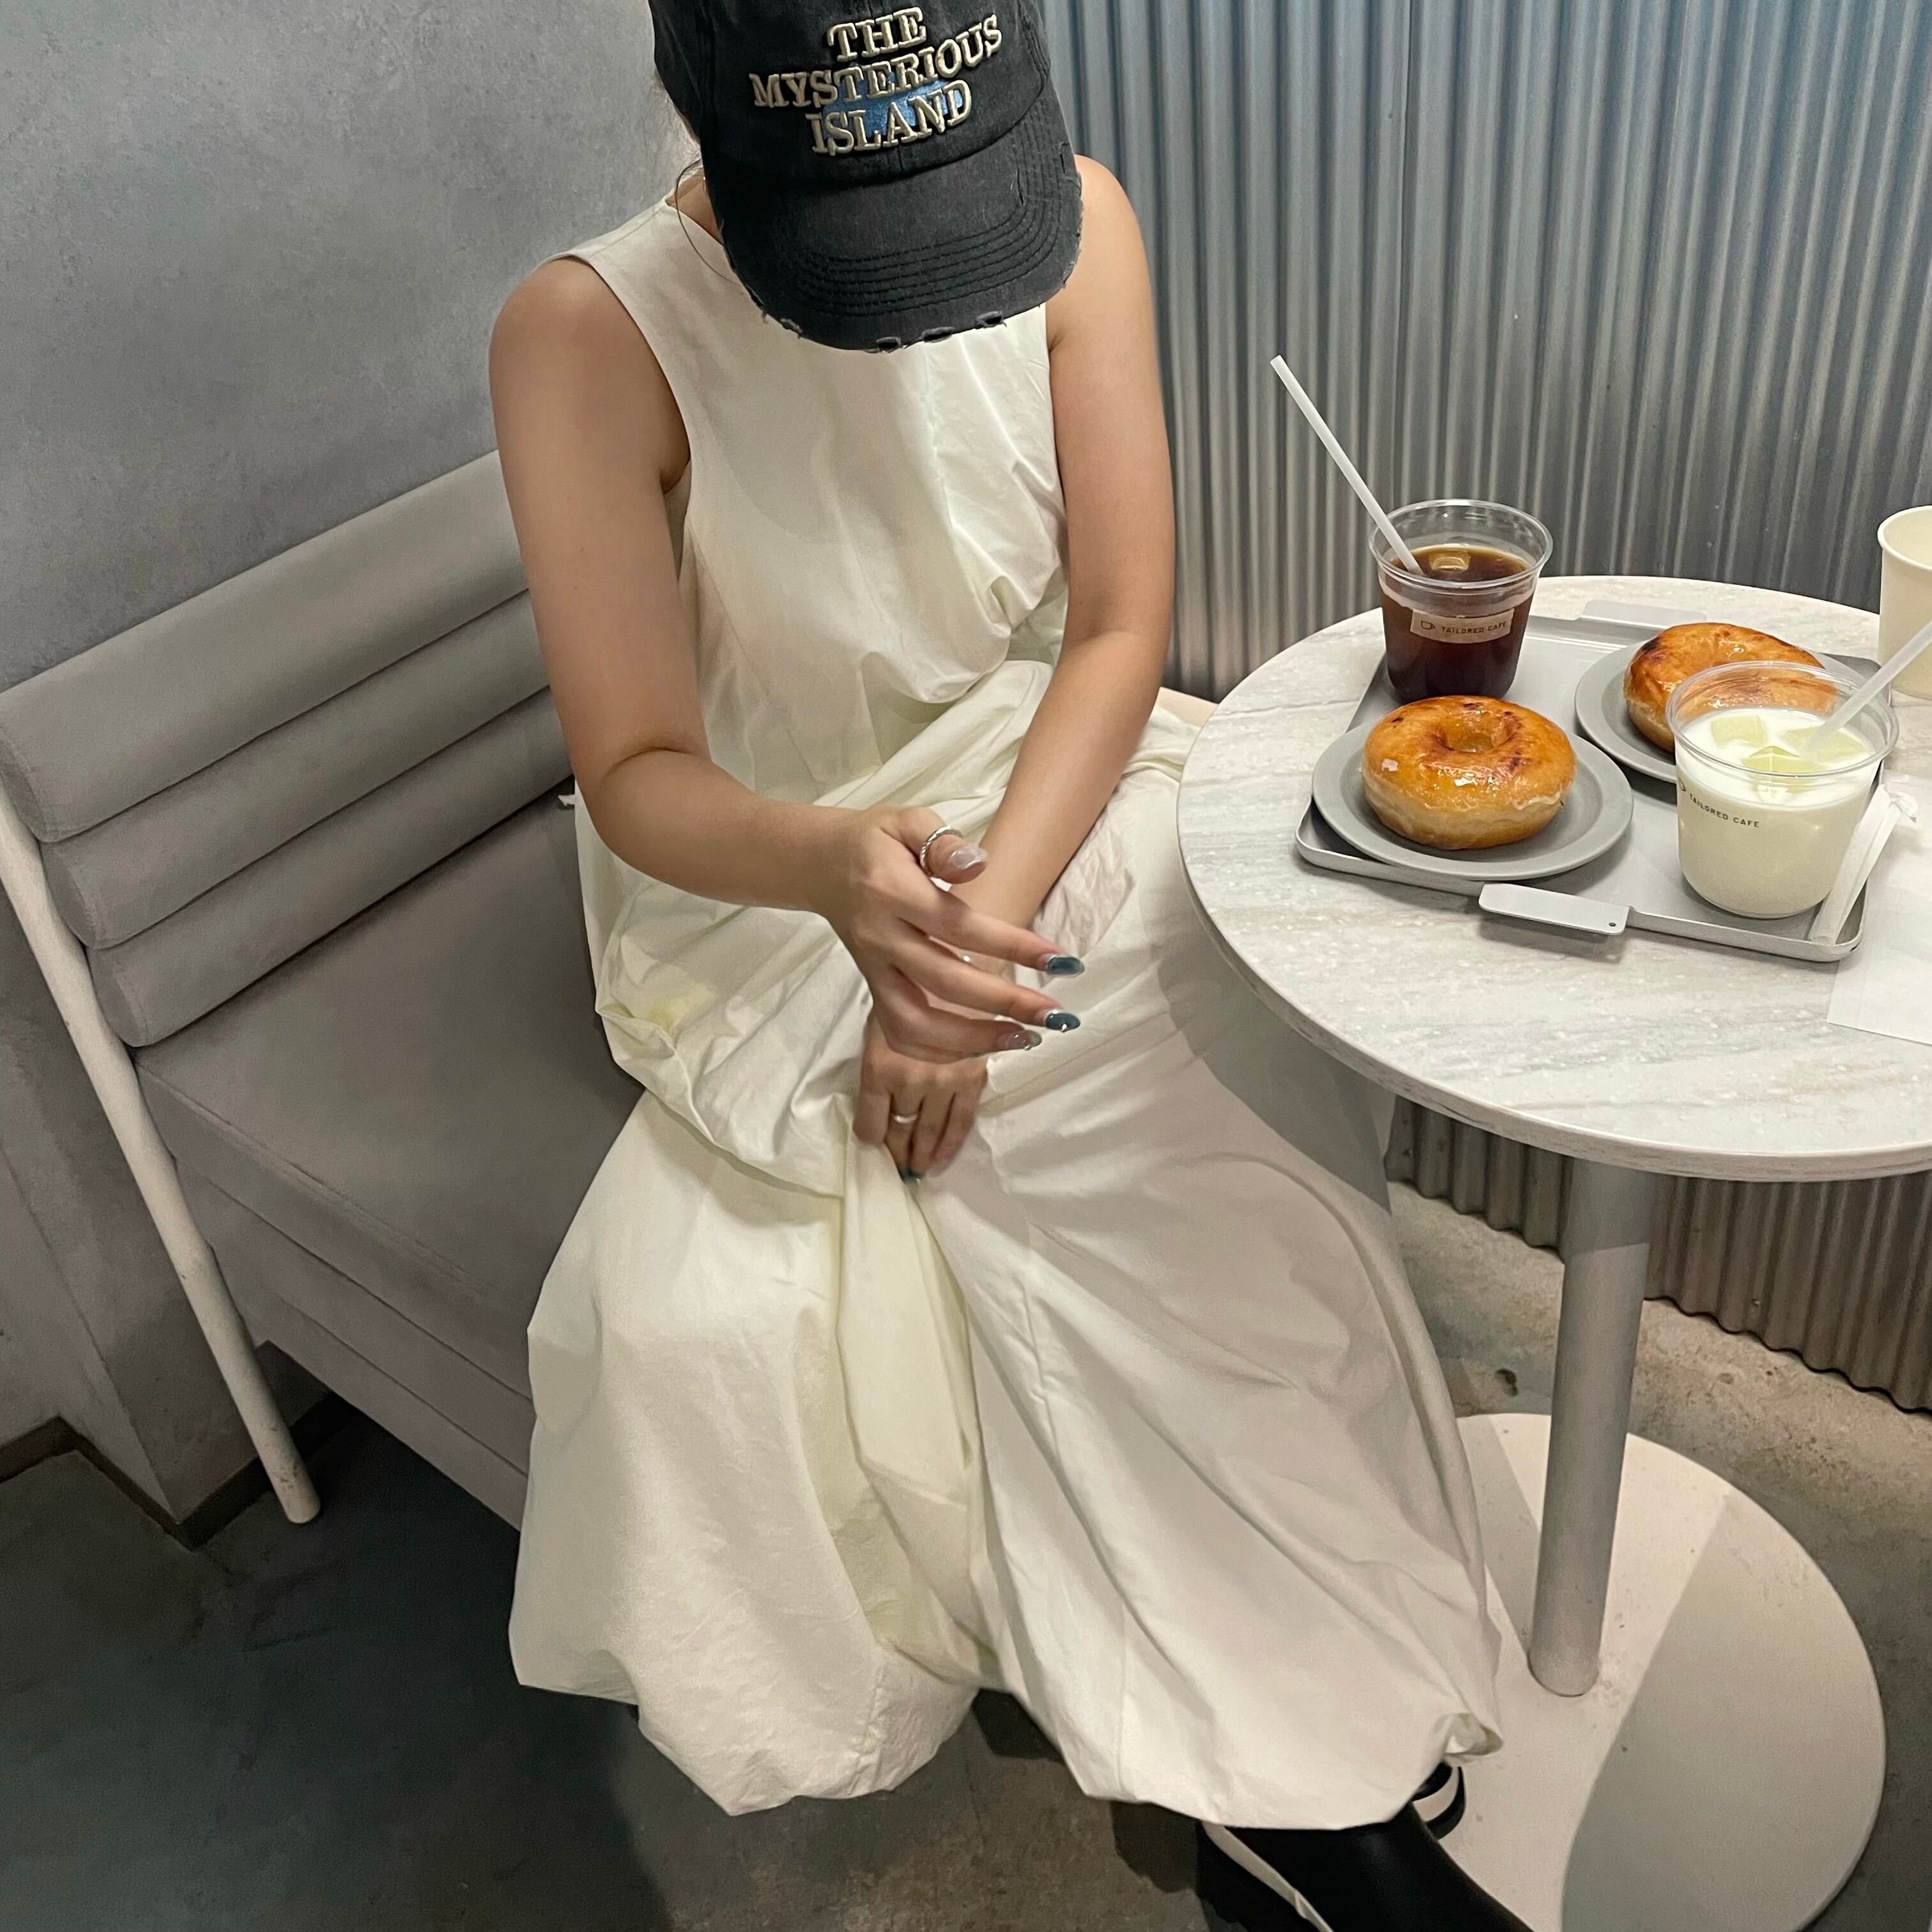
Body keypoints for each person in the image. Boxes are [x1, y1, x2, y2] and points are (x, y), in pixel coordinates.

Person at [491, 3, 1528, 1926]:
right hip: (781, 869)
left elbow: (1119, 624)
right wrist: (844, 882)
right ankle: (1317, 1810)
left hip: (1050, 782)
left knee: (1234, 1095)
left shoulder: (1082, 223)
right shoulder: (587, 337)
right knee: (1060, 1177)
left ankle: (1319, 1713)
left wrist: (980, 932)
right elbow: (634, 773)